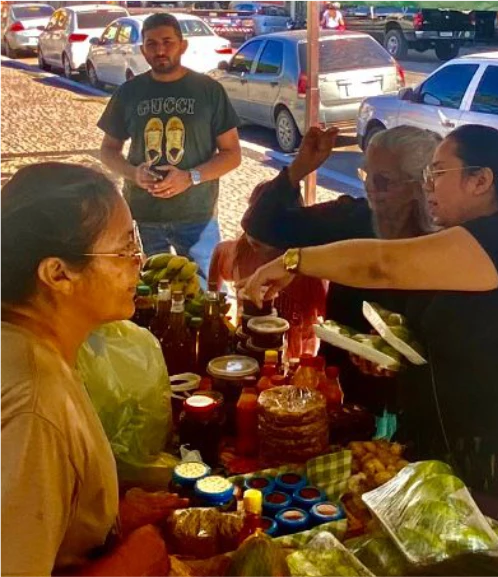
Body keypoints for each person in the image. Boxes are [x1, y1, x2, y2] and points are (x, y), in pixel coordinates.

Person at [243, 125, 498, 562]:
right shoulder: (476, 236)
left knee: (496, 567)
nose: (429, 186)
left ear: (481, 180)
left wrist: (295, 260)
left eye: (438, 172)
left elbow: (382, 265)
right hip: (456, 442)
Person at [0, 163, 188, 577]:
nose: (139, 261)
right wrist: (127, 563)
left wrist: (105, 520)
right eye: (122, 250)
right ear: (58, 274)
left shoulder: (35, 344)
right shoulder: (35, 404)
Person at [232, 124, 439, 411]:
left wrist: (402, 353)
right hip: (341, 385)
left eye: (384, 181)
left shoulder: (446, 239)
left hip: (418, 398)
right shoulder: (351, 217)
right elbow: (263, 226)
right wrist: (300, 167)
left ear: (419, 186)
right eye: (367, 175)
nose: (371, 188)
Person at [98, 13, 242, 282]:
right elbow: (108, 150)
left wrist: (190, 177)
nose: (160, 50)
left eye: (167, 42)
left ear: (182, 45)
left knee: (207, 296)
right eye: (151, 44)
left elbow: (232, 154)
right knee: (150, 298)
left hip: (197, 215)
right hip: (143, 215)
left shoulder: (208, 91)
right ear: (143, 50)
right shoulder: (129, 92)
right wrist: (133, 173)